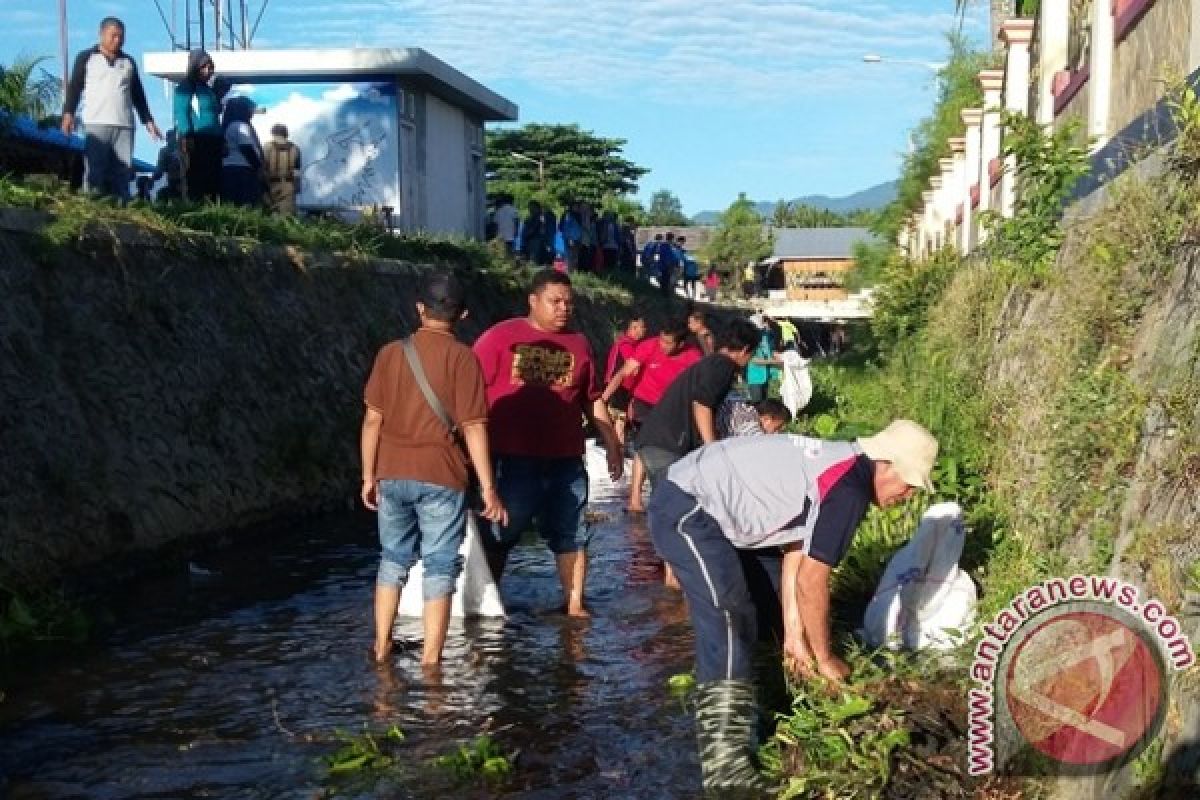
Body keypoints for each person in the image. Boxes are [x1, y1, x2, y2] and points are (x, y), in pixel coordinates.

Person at [647, 420, 938, 793]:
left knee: (763, 609)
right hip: (687, 506)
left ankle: (762, 700)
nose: (908, 495)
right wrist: (826, 658)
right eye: (909, 485)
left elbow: (796, 550)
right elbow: (812, 580)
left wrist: (794, 637)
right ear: (887, 465)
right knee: (730, 616)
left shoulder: (843, 468)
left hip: (705, 504)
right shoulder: (847, 488)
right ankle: (726, 772)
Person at [360, 271, 507, 665]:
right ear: (462, 315)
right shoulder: (463, 358)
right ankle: (430, 661)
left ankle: (380, 646)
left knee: (392, 559)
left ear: (420, 308)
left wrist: (368, 475)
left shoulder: (390, 353)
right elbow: (475, 427)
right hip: (442, 474)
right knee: (440, 566)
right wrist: (489, 487)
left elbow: (373, 419)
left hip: (391, 471)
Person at [472, 269, 624, 617]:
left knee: (572, 531)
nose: (563, 309)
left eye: (569, 303)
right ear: (533, 301)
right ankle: (488, 600)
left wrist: (612, 443)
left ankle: (574, 605)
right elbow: (468, 388)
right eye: (555, 302)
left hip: (565, 457)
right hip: (511, 456)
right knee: (499, 532)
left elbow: (592, 398)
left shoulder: (580, 343)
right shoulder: (500, 337)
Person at [634, 318, 761, 489]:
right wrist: (713, 449)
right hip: (668, 444)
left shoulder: (712, 362)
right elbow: (702, 404)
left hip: (657, 439)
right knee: (674, 505)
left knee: (670, 504)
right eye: (752, 355)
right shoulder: (723, 366)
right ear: (745, 349)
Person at [601, 317, 702, 514]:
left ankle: (673, 493)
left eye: (668, 343)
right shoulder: (649, 346)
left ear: (681, 344)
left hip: (674, 406)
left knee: (674, 447)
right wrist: (603, 400)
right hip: (645, 402)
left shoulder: (693, 356)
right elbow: (623, 373)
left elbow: (699, 387)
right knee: (644, 445)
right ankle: (635, 499)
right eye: (661, 340)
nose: (662, 345)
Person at [61, 17, 163, 199]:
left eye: (121, 37)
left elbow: (138, 94)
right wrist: (68, 114)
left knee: (122, 171)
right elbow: (74, 87)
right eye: (113, 36)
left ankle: (121, 206)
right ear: (101, 34)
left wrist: (148, 121)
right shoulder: (86, 58)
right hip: (97, 122)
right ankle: (92, 204)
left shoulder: (129, 62)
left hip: (124, 125)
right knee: (95, 169)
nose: (117, 40)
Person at [172, 48, 223, 203]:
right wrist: (187, 135)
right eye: (204, 67)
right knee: (194, 178)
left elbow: (215, 116)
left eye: (210, 67)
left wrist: (222, 138)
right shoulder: (186, 87)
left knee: (213, 180)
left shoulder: (208, 90)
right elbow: (181, 111)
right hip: (195, 139)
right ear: (195, 67)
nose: (208, 71)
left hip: (213, 140)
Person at [603, 313, 648, 446]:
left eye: (644, 328)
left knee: (620, 421)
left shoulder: (633, 345)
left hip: (624, 388)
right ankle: (618, 447)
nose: (644, 330)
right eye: (642, 327)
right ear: (633, 328)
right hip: (618, 387)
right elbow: (633, 367)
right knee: (619, 420)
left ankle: (618, 445)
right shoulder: (625, 344)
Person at [220, 96, 265, 207]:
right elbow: (246, 147)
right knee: (247, 203)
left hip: (229, 169)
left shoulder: (229, 126)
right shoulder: (240, 125)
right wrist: (258, 166)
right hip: (242, 170)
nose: (251, 113)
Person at [264, 123, 302, 214]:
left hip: (270, 185)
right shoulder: (295, 148)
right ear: (286, 134)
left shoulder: (267, 146)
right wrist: (297, 187)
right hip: (288, 185)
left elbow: (262, 167)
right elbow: (297, 171)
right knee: (287, 218)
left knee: (269, 214)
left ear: (273, 133)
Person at [152, 129, 183, 202]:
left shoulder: (165, 151)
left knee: (162, 195)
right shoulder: (187, 148)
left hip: (176, 183)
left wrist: (151, 180)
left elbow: (159, 171)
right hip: (188, 183)